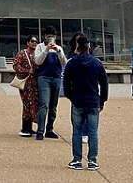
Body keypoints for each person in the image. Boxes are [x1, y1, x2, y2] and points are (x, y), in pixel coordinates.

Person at [63, 33, 108, 171]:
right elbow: (104, 83)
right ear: (89, 46)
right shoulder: (97, 63)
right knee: (93, 132)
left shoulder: (71, 63)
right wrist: (102, 100)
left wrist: (71, 97)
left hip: (78, 101)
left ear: (77, 47)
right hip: (93, 101)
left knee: (77, 131)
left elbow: (66, 84)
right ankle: (92, 160)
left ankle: (77, 159)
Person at [32, 27, 67, 139]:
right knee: (44, 104)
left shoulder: (59, 48)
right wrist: (46, 50)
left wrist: (59, 52)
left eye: (52, 36)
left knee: (53, 105)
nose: (50, 38)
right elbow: (37, 61)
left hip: (56, 78)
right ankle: (40, 130)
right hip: (44, 78)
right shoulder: (40, 47)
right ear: (45, 36)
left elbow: (64, 63)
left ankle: (50, 129)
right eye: (48, 36)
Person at [12, 35, 41, 137]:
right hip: (26, 84)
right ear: (28, 42)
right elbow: (15, 66)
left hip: (35, 85)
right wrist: (27, 70)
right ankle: (25, 128)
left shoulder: (38, 54)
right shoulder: (22, 53)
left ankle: (29, 127)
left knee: (34, 105)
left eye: (36, 42)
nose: (34, 43)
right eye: (32, 41)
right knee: (27, 104)